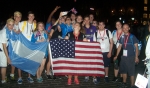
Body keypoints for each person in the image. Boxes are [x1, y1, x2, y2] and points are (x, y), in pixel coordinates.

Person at [19, 11, 36, 83]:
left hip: (30, 46)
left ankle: (29, 77)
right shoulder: (22, 23)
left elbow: (36, 34)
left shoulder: (35, 25)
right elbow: (18, 32)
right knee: (20, 61)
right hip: (22, 45)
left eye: (32, 16)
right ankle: (20, 77)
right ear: (28, 16)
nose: (31, 17)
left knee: (29, 61)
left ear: (34, 17)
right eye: (30, 16)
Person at [9, 11, 23, 84]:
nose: (18, 18)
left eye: (19, 17)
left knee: (18, 61)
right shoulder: (11, 24)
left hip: (19, 45)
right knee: (13, 61)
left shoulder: (21, 24)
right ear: (14, 17)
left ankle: (19, 77)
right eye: (17, 16)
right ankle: (12, 74)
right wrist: (13, 31)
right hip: (12, 46)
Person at [0, 18, 14, 84]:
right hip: (2, 50)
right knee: (4, 65)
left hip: (3, 49)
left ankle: (4, 76)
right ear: (6, 24)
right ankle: (3, 80)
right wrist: (8, 57)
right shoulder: (3, 32)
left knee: (3, 64)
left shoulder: (8, 30)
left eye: (12, 25)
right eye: (9, 25)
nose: (11, 26)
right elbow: (4, 46)